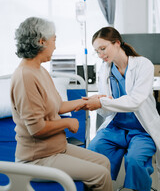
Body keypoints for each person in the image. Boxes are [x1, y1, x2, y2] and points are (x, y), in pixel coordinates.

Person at [10, 17, 113, 191]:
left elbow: (58, 106)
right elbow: (37, 128)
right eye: (54, 40)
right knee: (100, 174)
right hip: (37, 158)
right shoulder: (25, 77)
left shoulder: (40, 70)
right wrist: (67, 122)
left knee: (104, 162)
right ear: (41, 42)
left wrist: (87, 101)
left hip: (57, 148)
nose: (55, 46)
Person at [76, 27, 160, 191]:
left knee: (135, 161)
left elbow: (135, 101)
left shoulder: (143, 65)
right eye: (97, 51)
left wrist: (102, 102)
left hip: (141, 130)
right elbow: (107, 109)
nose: (100, 55)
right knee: (93, 152)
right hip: (116, 127)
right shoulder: (105, 70)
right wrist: (98, 100)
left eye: (103, 48)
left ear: (117, 43)